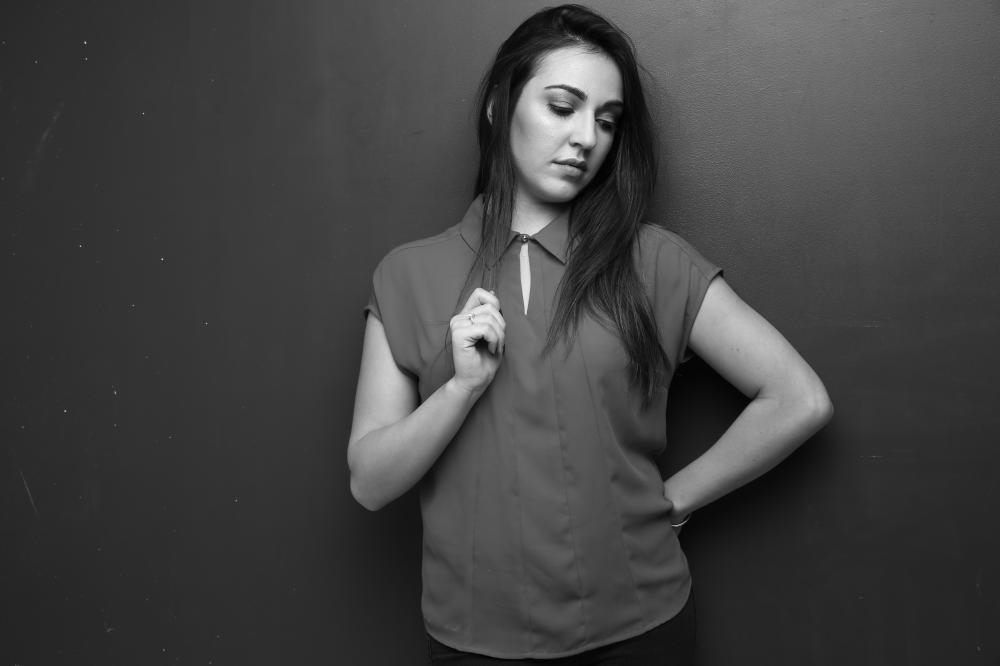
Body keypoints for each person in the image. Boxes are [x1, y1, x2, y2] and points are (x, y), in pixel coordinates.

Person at [348, 4, 833, 664]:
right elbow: (370, 483)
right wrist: (460, 390)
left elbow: (799, 399)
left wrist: (672, 501)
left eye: (607, 121)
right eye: (562, 106)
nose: (585, 138)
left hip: (640, 626)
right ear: (498, 107)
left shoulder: (653, 260)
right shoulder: (406, 274)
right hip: (473, 638)